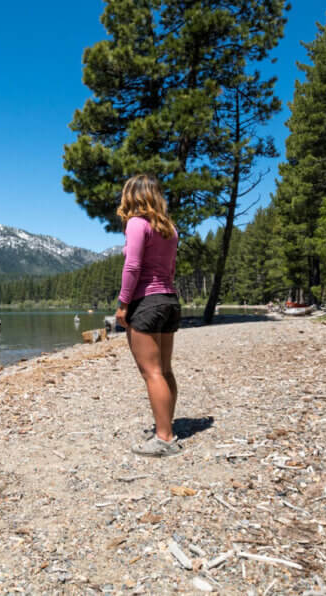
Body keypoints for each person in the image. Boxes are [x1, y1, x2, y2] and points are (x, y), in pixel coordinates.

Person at [114, 175, 181, 457]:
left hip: (147, 302)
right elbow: (171, 268)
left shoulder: (137, 223)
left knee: (151, 372)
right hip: (169, 300)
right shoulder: (170, 229)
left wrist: (123, 303)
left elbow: (132, 266)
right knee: (164, 370)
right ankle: (166, 427)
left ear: (131, 196)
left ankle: (164, 439)